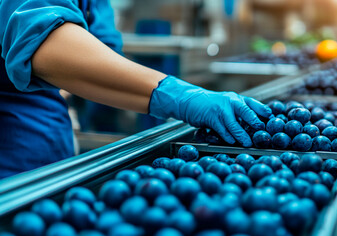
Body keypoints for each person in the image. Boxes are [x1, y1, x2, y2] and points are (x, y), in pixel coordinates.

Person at [0, 0, 272, 179]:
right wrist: (178, 95)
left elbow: (96, 53)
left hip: (50, 153)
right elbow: (42, 41)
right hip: (11, 162)